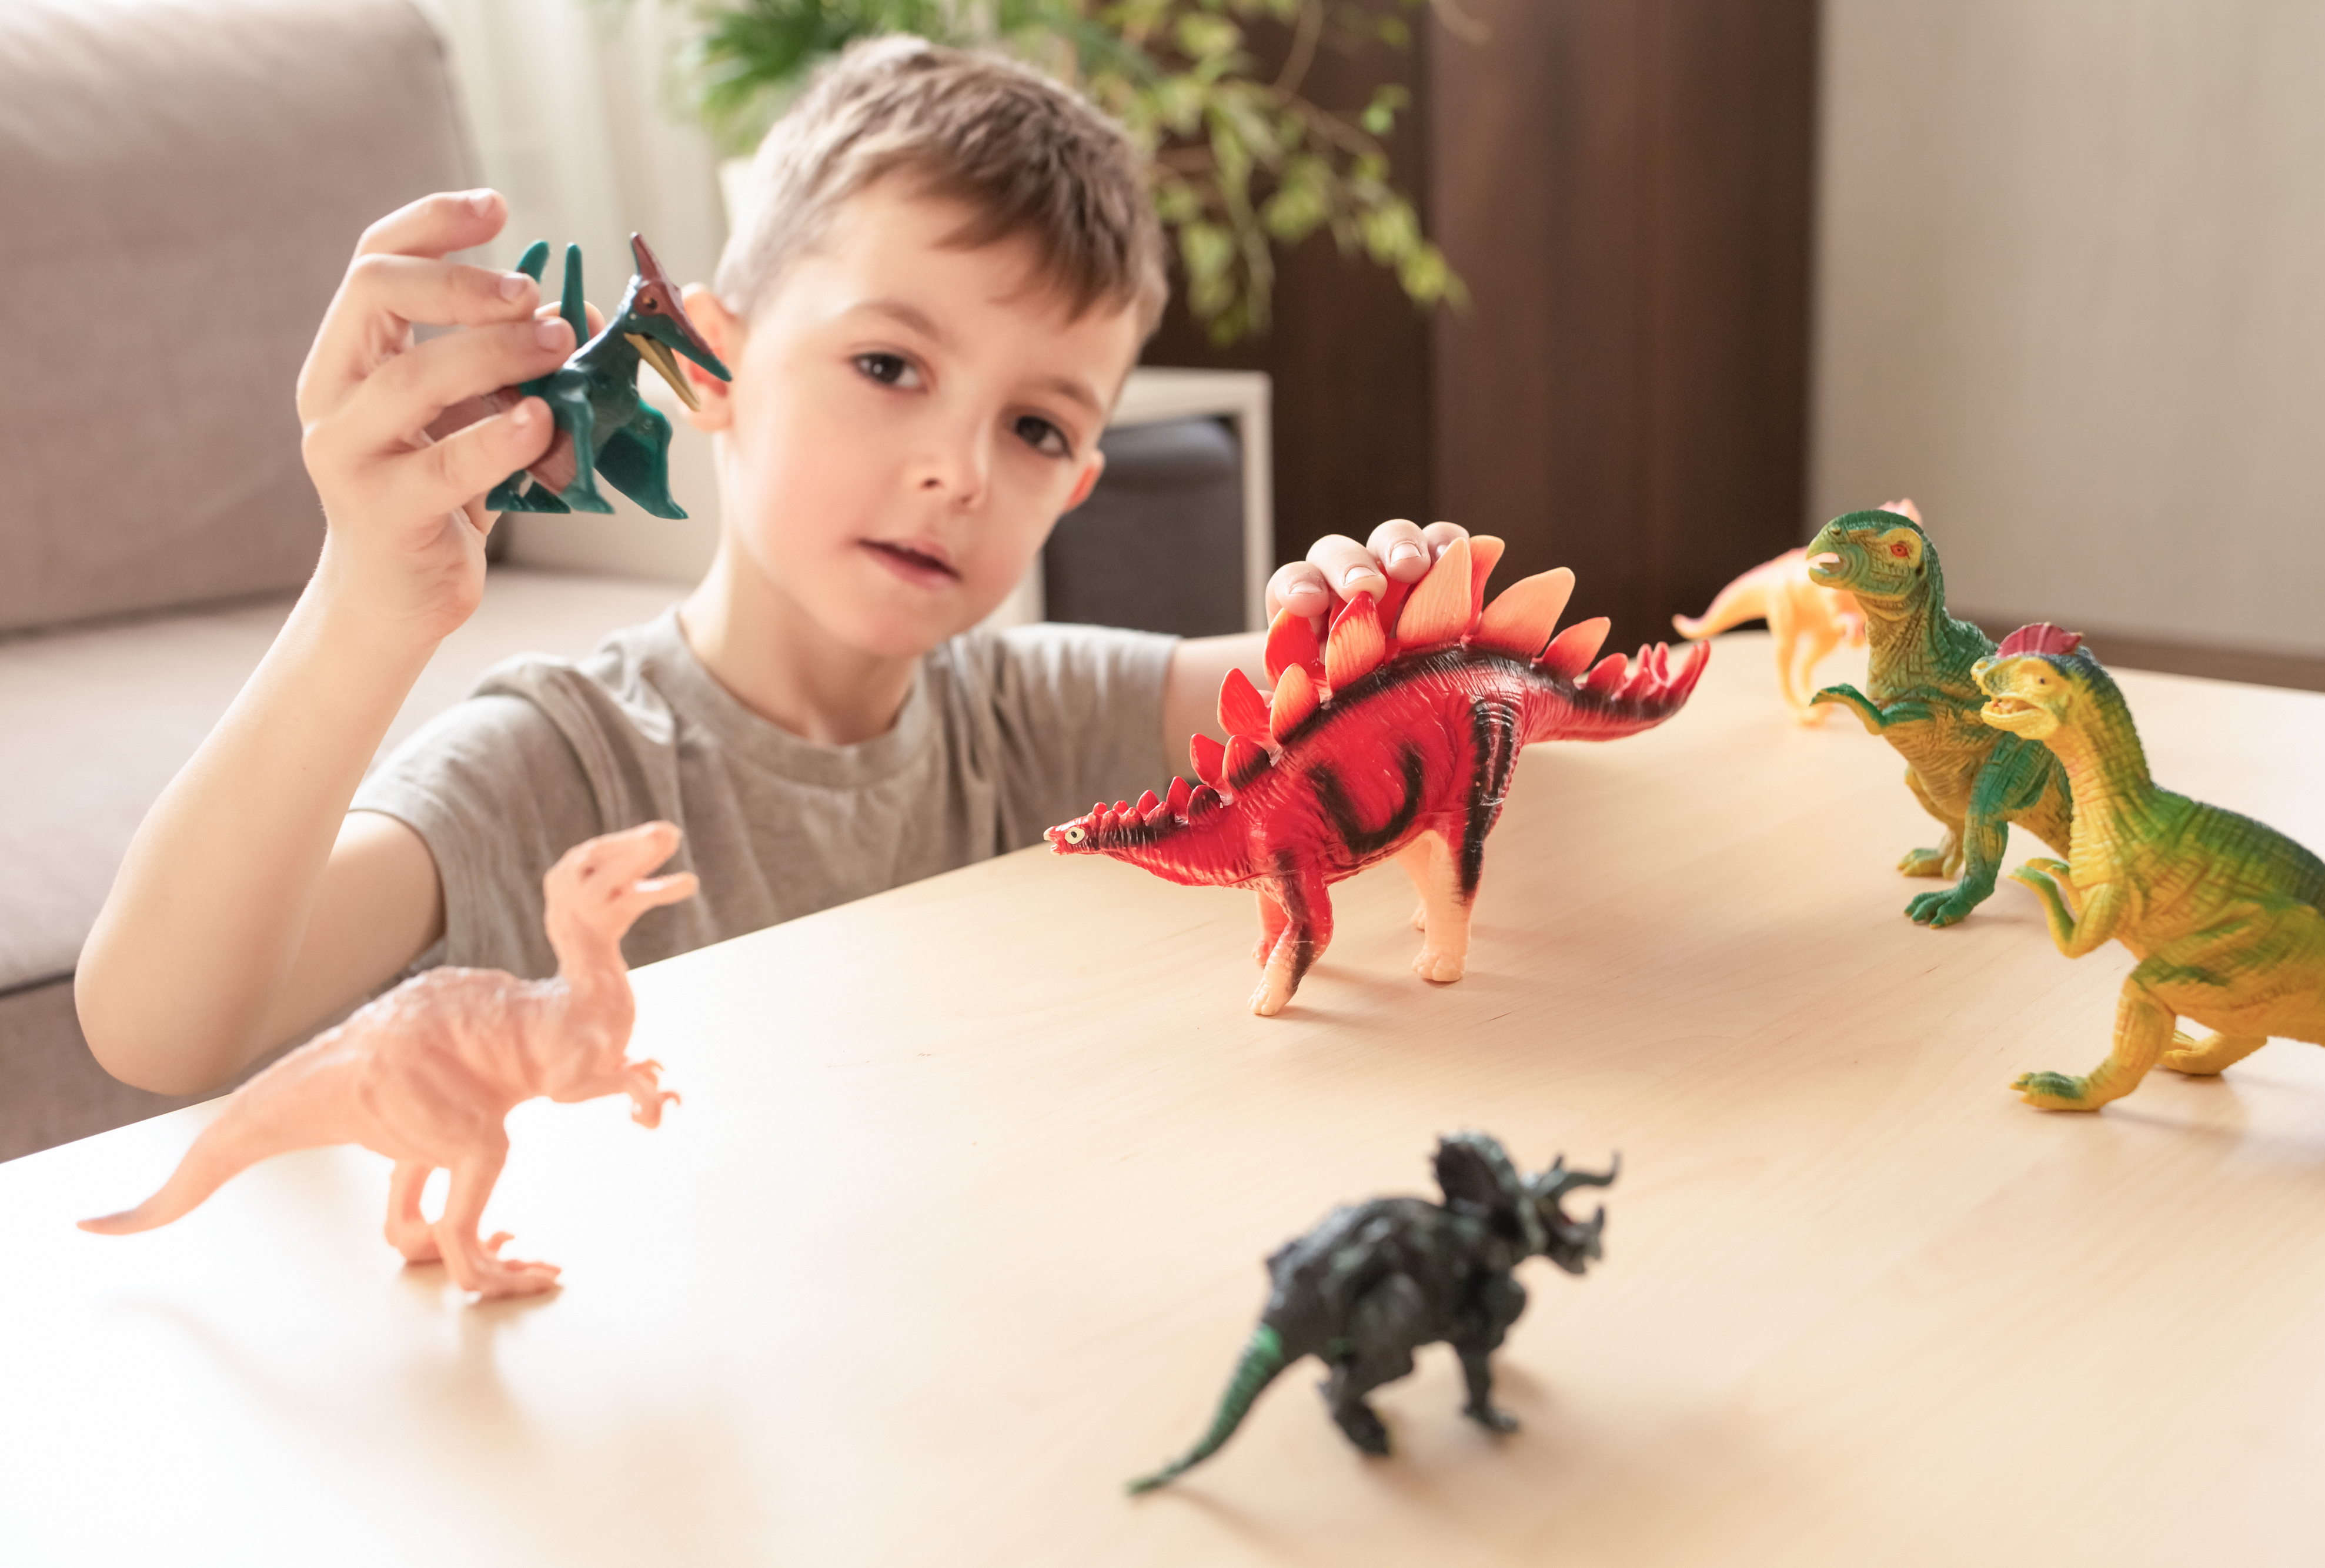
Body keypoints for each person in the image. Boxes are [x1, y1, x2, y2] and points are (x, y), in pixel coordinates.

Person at [77, 36, 1465, 1096]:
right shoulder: (558, 766)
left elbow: (1411, 704)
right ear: (711, 363)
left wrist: (1383, 608)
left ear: (1079, 485)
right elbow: (159, 1026)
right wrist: (367, 607)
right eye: (887, 364)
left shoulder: (1042, 715)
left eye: (1036, 426)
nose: (960, 469)